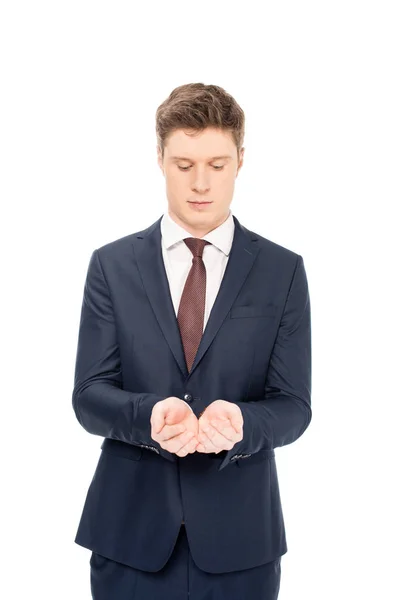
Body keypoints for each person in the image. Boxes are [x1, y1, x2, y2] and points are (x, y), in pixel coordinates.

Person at [72, 82, 312, 600]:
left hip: (241, 541)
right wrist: (148, 416)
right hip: (129, 536)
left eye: (217, 165)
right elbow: (89, 395)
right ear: (159, 157)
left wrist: (245, 424)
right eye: (184, 165)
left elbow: (294, 406)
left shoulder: (282, 271)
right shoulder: (111, 266)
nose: (200, 183)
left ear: (241, 160)